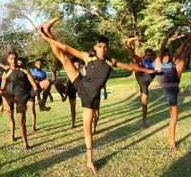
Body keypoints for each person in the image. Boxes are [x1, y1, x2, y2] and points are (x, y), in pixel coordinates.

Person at [37, 17, 156, 172]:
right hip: (80, 83)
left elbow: (130, 67)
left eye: (105, 47)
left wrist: (148, 70)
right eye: (100, 46)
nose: (103, 49)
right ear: (95, 47)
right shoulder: (88, 56)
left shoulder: (110, 62)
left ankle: (89, 160)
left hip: (90, 97)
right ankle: (47, 32)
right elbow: (65, 47)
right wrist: (44, 37)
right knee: (64, 58)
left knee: (87, 129)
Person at [154, 30, 191, 150]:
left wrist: (187, 41)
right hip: (170, 91)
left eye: (168, 55)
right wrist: (168, 36)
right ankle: (171, 142)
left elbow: (180, 50)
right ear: (161, 55)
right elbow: (162, 47)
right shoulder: (158, 63)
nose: (168, 56)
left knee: (183, 57)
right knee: (173, 117)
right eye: (165, 55)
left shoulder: (170, 61)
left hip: (175, 81)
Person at [1, 51, 48, 148]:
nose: (13, 61)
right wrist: (3, 104)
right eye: (11, 59)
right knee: (10, 116)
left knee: (22, 121)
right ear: (8, 60)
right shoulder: (6, 73)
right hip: (10, 95)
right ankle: (12, 134)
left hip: (22, 95)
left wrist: (39, 99)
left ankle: (25, 143)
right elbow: (1, 90)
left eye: (15, 59)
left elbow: (34, 84)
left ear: (17, 59)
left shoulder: (25, 70)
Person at [124, 38, 155, 128]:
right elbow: (133, 55)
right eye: (147, 55)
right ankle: (127, 45)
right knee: (135, 61)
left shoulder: (155, 63)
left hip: (145, 84)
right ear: (145, 55)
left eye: (150, 55)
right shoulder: (144, 61)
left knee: (144, 103)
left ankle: (144, 122)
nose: (149, 56)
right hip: (141, 77)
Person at [53, 58, 81, 128]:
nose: (78, 66)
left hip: (74, 93)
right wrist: (65, 96)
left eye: (78, 65)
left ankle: (72, 123)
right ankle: (62, 96)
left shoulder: (81, 74)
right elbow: (68, 84)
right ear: (73, 66)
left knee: (73, 108)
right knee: (56, 82)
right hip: (68, 90)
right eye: (76, 65)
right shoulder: (70, 73)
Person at [28, 58, 52, 132]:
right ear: (35, 64)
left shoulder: (44, 73)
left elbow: (46, 85)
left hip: (39, 87)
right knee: (31, 108)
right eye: (38, 63)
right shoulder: (31, 71)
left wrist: (50, 94)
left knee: (48, 81)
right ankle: (33, 126)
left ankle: (42, 104)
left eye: (40, 63)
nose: (39, 64)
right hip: (31, 89)